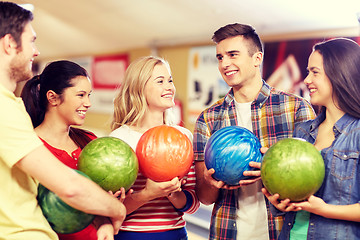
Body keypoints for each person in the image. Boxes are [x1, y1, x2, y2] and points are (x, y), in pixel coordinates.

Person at [0, 2, 126, 240]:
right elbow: (70, 187)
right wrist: (116, 210)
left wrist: (102, 218)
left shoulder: (11, 105)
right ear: (9, 44)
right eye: (31, 40)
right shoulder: (2, 107)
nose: (36, 51)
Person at [193, 23, 316, 240]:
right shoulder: (208, 118)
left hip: (281, 231)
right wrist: (211, 183)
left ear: (257, 58)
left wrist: (275, 169)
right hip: (227, 232)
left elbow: (314, 183)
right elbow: (204, 197)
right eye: (220, 57)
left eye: (233, 55)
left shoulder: (296, 108)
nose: (225, 64)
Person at [263, 38, 360, 239]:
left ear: (340, 73)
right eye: (308, 72)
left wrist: (323, 209)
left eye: (314, 72)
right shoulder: (303, 131)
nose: (307, 80)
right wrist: (280, 201)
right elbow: (295, 199)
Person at [21, 60, 123, 240]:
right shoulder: (30, 148)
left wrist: (108, 208)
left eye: (89, 95)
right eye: (81, 95)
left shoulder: (90, 142)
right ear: (53, 98)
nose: (88, 103)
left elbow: (100, 209)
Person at [109, 56, 200, 240]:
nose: (169, 87)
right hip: (131, 236)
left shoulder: (183, 137)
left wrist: (173, 194)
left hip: (176, 234)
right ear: (139, 88)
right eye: (160, 81)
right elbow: (110, 209)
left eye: (170, 80)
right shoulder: (120, 139)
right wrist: (147, 194)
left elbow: (193, 204)